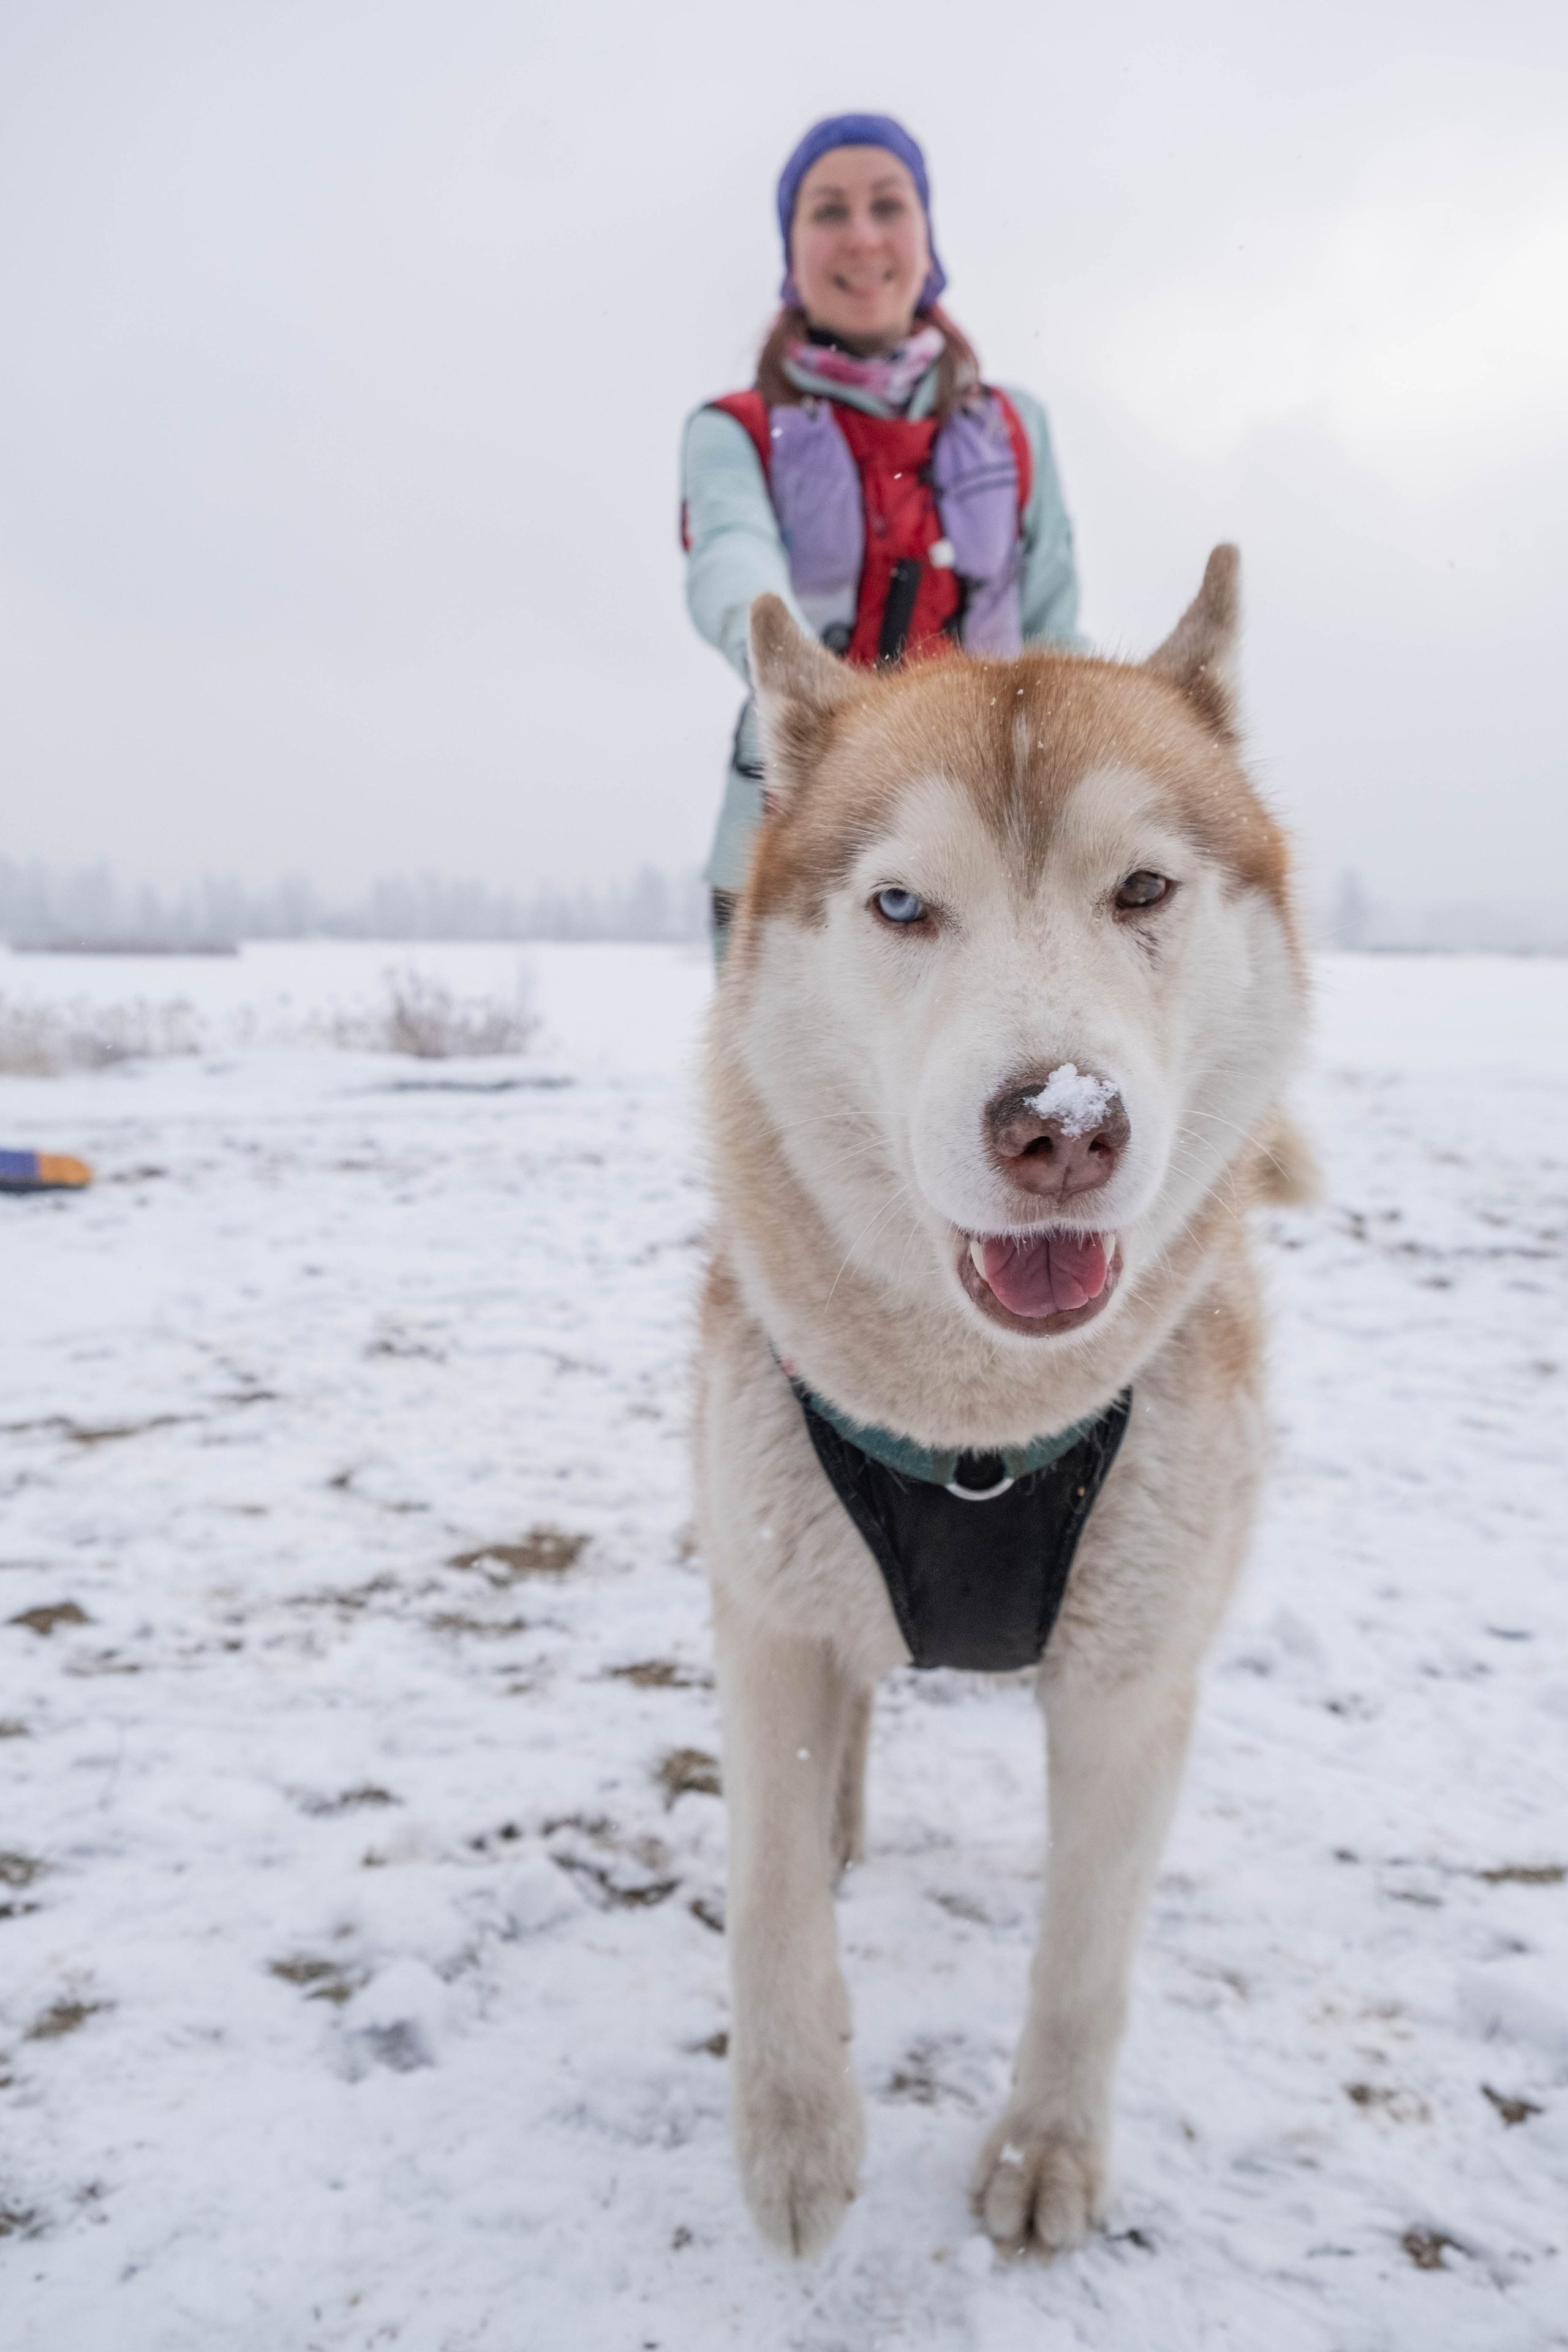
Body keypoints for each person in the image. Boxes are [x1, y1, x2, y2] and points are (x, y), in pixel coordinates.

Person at [680, 112, 1080, 951]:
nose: (861, 235)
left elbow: (1054, 628)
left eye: (888, 205)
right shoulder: (734, 430)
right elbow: (731, 555)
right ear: (792, 254)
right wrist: (797, 676)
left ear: (928, 242)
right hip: (790, 825)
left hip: (1001, 835)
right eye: (828, 211)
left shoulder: (1018, 427)